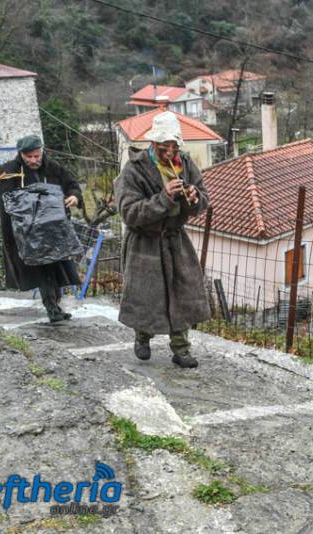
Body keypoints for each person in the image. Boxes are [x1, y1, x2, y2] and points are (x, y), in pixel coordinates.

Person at [114, 111, 211, 368]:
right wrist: (164, 198)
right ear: (152, 144)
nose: (170, 151)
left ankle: (181, 349)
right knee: (148, 295)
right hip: (145, 242)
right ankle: (142, 336)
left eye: (173, 145)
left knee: (182, 292)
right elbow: (129, 212)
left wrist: (194, 199)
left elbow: (203, 197)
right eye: (163, 146)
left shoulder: (186, 164)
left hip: (175, 240)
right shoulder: (134, 170)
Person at [0, 135, 82, 323]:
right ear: (21, 154)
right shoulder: (8, 171)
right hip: (25, 235)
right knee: (41, 271)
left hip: (52, 232)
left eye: (36, 156)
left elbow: (72, 185)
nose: (33, 160)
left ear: (41, 151)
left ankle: (55, 307)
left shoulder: (54, 168)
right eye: (29, 157)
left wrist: (74, 197)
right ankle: (52, 309)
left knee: (54, 269)